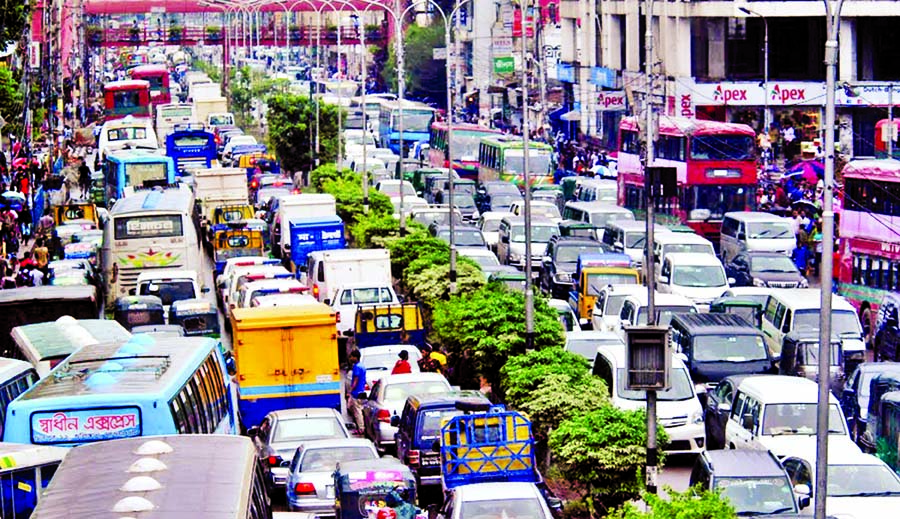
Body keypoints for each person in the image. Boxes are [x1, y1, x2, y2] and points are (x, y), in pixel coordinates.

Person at [347, 349, 366, 432]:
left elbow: (355, 380)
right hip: (361, 391)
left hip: (356, 393)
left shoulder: (356, 367)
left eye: (351, 356)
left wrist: (350, 390)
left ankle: (361, 428)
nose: (350, 358)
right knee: (355, 409)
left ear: (355, 357)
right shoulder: (362, 366)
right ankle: (359, 427)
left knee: (357, 412)